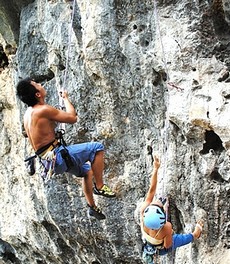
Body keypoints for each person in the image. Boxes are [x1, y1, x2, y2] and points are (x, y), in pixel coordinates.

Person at [16, 78, 116, 220]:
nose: (41, 85)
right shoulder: (43, 110)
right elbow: (72, 118)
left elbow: (29, 133)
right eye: (37, 85)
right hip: (58, 157)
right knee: (97, 148)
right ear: (37, 94)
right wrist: (66, 98)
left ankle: (92, 207)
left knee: (87, 171)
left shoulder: (28, 114)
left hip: (49, 161)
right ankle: (99, 187)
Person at [140, 155, 204, 263]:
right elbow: (167, 245)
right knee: (178, 239)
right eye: (159, 205)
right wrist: (169, 233)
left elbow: (151, 191)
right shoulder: (167, 227)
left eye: (154, 204)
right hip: (161, 247)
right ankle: (195, 235)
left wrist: (155, 169)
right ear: (163, 216)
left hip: (150, 242)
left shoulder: (143, 212)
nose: (156, 201)